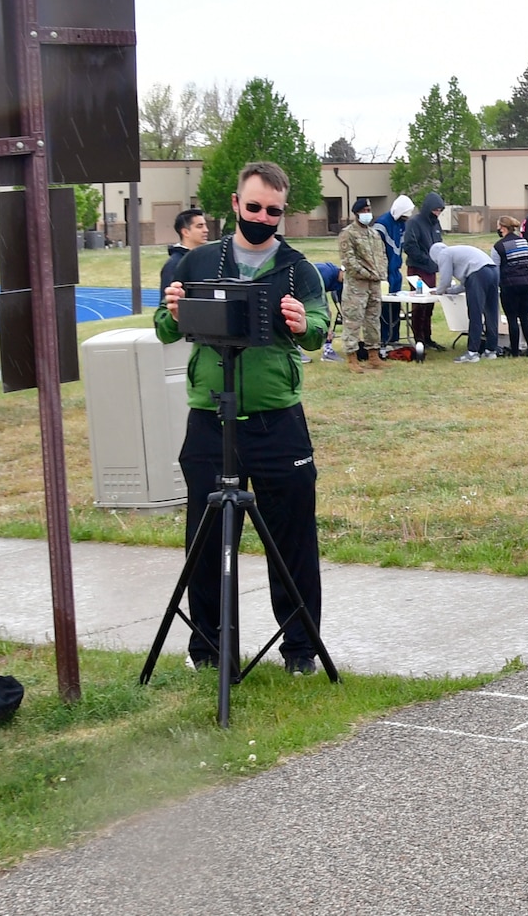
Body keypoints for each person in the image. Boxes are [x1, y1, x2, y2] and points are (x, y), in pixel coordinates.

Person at [153, 161, 329, 677]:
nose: (262, 217)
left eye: (273, 211)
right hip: (211, 419)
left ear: (283, 213)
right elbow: (165, 326)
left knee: (292, 540)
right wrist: (173, 310)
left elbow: (320, 326)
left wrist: (304, 323)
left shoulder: (299, 268)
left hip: (278, 421)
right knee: (206, 541)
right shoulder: (198, 261)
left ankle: (301, 650)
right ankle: (208, 650)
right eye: (253, 207)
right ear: (235, 205)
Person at [337, 197, 388, 372]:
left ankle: (373, 355)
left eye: (369, 210)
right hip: (357, 285)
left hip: (374, 283)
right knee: (353, 320)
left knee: (373, 320)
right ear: (356, 213)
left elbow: (382, 255)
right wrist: (367, 274)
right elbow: (349, 261)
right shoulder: (348, 233)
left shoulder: (374, 234)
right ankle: (352, 358)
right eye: (364, 211)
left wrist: (381, 273)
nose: (367, 214)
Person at [432, 240, 499, 361]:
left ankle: (472, 353)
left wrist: (439, 291)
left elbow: (445, 280)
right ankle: (491, 350)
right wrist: (449, 291)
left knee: (475, 314)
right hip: (493, 270)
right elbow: (464, 285)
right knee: (491, 312)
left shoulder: (443, 254)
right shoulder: (457, 252)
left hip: (478, 273)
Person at [401, 192, 447, 349]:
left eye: (440, 210)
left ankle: (428, 338)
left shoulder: (436, 224)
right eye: (435, 210)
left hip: (432, 269)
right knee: (419, 305)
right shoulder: (414, 223)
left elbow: (439, 245)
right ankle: (419, 338)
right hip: (417, 269)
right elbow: (409, 246)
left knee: (430, 305)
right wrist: (426, 259)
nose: (437, 213)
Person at [493, 215, 528, 357]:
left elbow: (495, 268)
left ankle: (514, 351)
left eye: (498, 227)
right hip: (526, 282)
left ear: (503, 228)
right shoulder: (523, 242)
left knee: (512, 318)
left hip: (509, 284)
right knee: (525, 317)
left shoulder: (499, 246)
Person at [378, 196, 409, 345]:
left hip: (395, 271)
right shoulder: (382, 224)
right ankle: (385, 338)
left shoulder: (401, 224)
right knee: (384, 308)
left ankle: (394, 337)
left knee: (395, 307)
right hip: (384, 273)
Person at [159, 208, 209, 294]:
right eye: (200, 226)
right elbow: (167, 302)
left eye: (205, 225)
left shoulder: (206, 258)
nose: (206, 230)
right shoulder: (174, 264)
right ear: (185, 232)